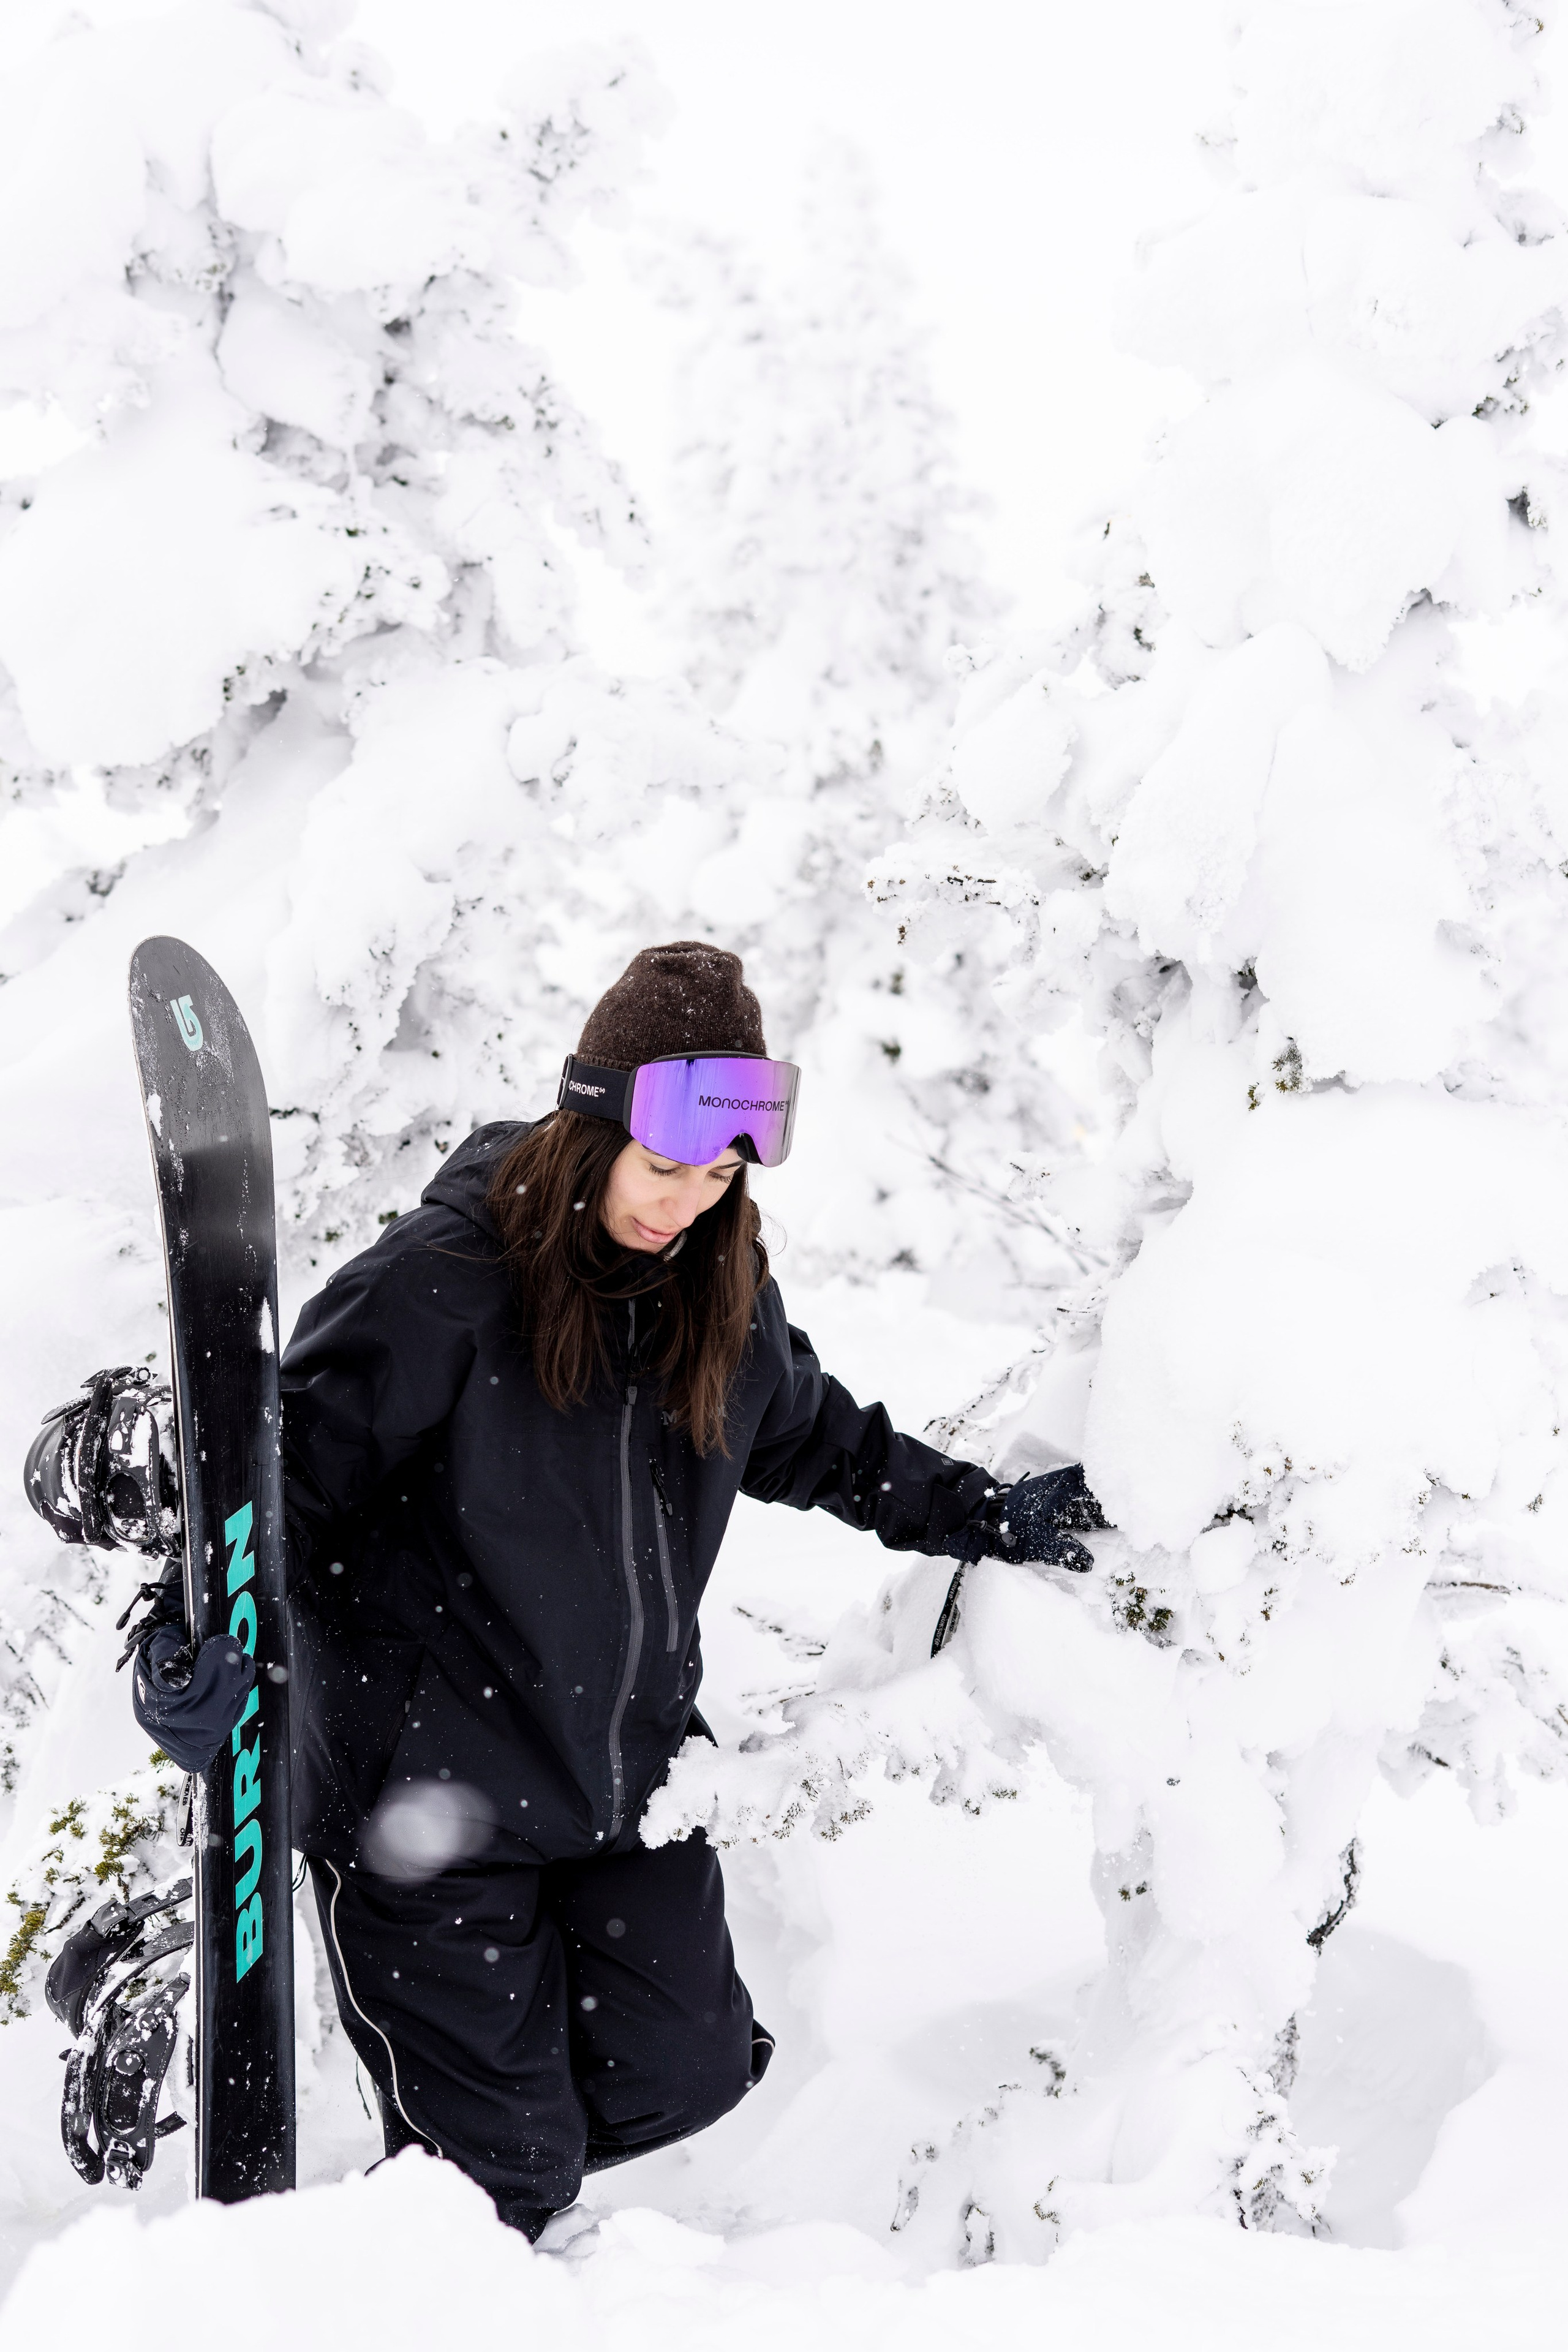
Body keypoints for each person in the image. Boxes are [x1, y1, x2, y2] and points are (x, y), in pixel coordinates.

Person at [28, 940, 1103, 2238]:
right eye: (665, 1167)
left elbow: (820, 1440)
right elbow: (275, 1487)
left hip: (618, 1788)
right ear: (590, 1129)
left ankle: (446, 2195)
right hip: (427, 1805)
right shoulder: (448, 1281)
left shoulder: (719, 1291)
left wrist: (980, 1510)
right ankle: (384, 2258)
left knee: (688, 2073)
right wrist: (182, 1650)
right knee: (498, 2178)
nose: (688, 1203)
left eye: (719, 1175)